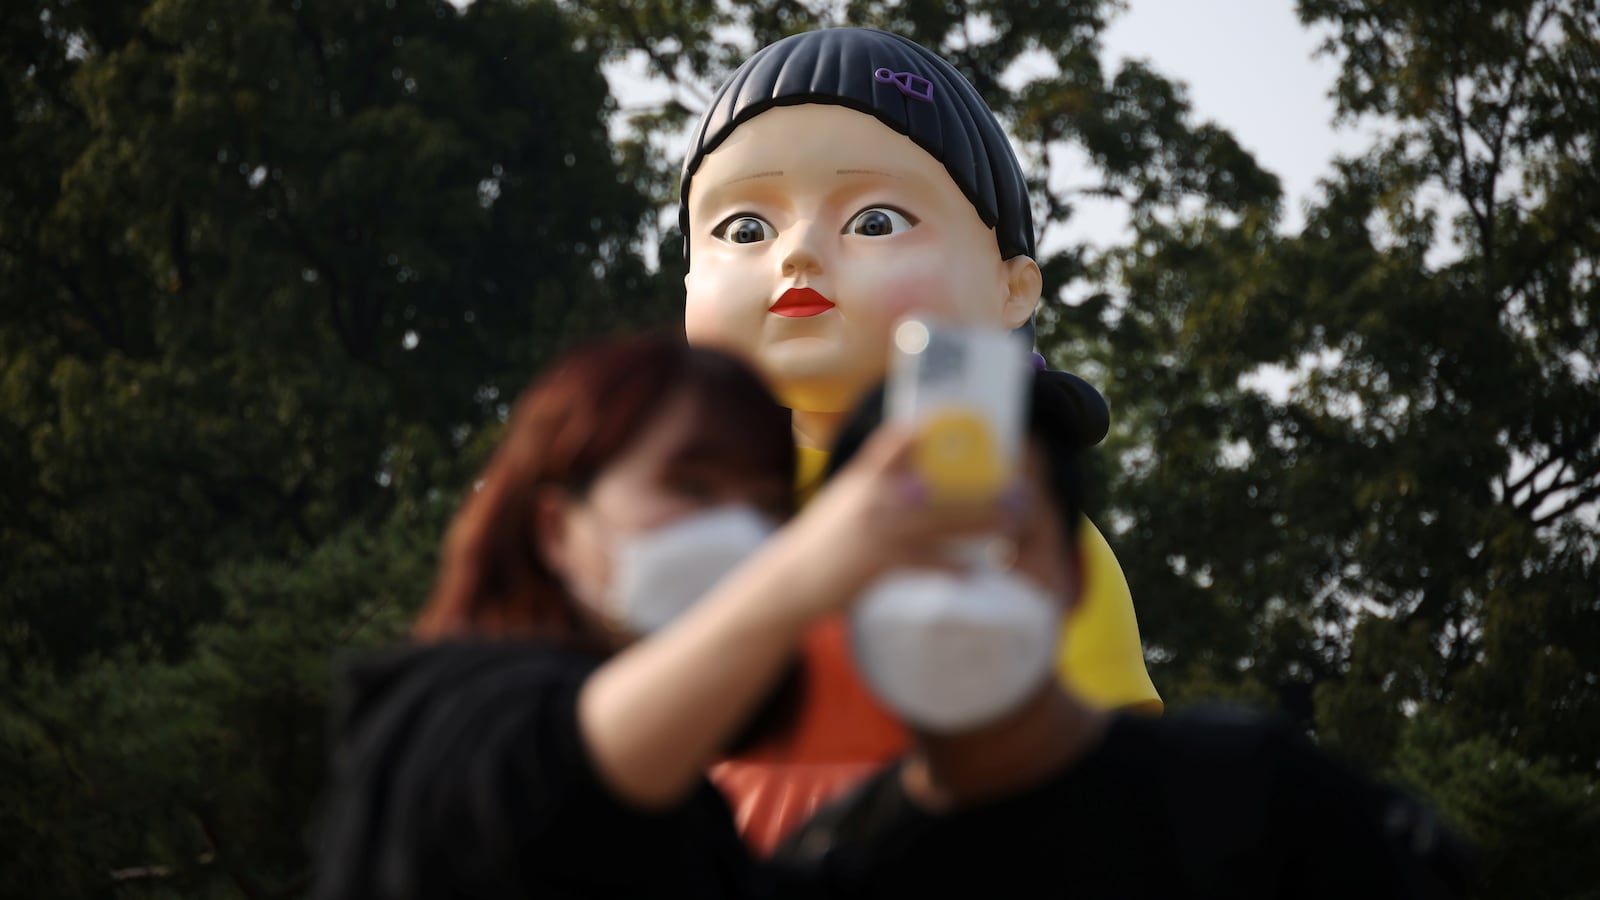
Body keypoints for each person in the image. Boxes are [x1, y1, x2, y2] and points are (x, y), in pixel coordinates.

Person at [677, 25, 1160, 852]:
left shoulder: (1028, 547)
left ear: (1014, 287)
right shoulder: (666, 525)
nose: (798, 254)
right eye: (746, 229)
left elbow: (1113, 806)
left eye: (873, 220)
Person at [308, 333, 1005, 899]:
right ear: (555, 530)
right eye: (691, 485)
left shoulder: (690, 822)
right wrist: (803, 575)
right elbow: (546, 766)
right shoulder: (440, 718)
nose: (740, 533)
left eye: (767, 507)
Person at [772, 372, 1475, 898]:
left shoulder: (1252, 797)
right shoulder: (827, 864)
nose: (958, 587)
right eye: (913, 542)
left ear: (1076, 574)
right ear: (840, 585)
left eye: (999, 538)